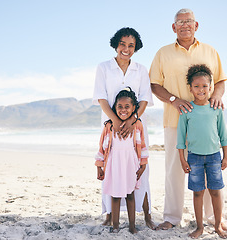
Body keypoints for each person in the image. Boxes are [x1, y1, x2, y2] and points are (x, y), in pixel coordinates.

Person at [149, 8, 227, 230]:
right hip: (175, 120)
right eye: (180, 22)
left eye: (189, 21)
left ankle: (213, 218)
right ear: (173, 27)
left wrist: (216, 96)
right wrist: (174, 100)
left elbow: (220, 80)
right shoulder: (163, 53)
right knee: (174, 170)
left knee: (208, 170)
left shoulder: (210, 51)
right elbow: (154, 84)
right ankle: (172, 218)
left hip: (206, 124)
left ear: (196, 26)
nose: (184, 25)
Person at [93, 27, 155, 229]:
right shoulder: (103, 67)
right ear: (115, 44)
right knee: (112, 169)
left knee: (139, 169)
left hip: (136, 126)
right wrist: (116, 122)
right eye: (122, 44)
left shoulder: (141, 69)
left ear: (136, 48)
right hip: (111, 127)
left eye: (131, 45)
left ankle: (146, 214)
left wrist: (132, 120)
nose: (126, 49)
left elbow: (145, 98)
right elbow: (101, 98)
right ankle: (110, 216)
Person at [177, 64, 227, 239]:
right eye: (197, 86)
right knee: (198, 192)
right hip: (194, 158)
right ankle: (199, 227)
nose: (201, 89)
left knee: (215, 191)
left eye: (205, 86)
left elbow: (223, 135)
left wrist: (225, 157)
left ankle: (217, 225)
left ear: (211, 87)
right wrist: (183, 160)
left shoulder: (216, 109)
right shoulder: (186, 110)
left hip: (215, 156)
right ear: (190, 89)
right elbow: (180, 139)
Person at [95, 87, 149, 233]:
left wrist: (143, 164)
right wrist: (99, 165)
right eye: (119, 106)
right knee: (115, 195)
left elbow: (142, 146)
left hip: (130, 163)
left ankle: (132, 226)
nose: (123, 110)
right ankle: (116, 226)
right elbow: (102, 148)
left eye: (127, 107)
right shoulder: (109, 126)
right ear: (114, 108)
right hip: (113, 163)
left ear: (133, 108)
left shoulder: (137, 125)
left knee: (130, 195)